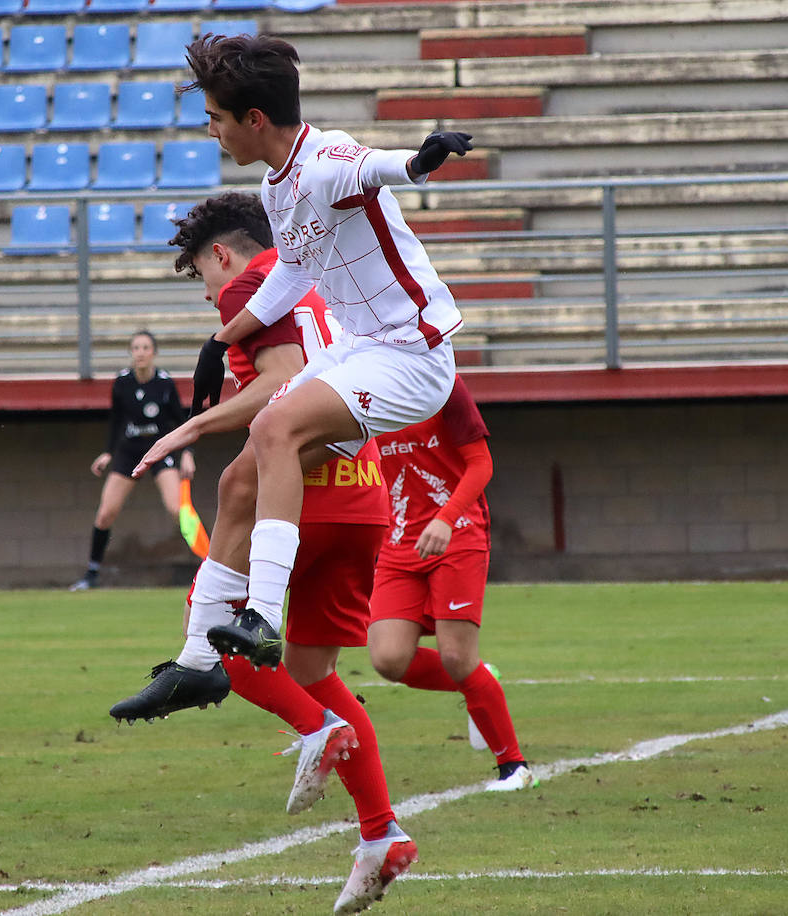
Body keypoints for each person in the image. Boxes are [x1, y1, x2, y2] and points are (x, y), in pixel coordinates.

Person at [132, 33, 472, 906]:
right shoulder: (279, 186)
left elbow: (372, 169)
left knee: (274, 426)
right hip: (362, 349)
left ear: (254, 118)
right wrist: (223, 339)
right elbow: (290, 271)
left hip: (409, 354)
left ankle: (255, 620)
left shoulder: (323, 160)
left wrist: (420, 160)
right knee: (244, 473)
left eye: (215, 118)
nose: (210, 131)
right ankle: (376, 831)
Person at [109, 192, 405, 915]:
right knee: (312, 672)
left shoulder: (251, 281)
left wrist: (193, 426)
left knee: (221, 636)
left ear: (221, 254)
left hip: (302, 496)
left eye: (202, 277)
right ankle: (381, 835)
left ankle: (315, 729)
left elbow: (281, 379)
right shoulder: (314, 275)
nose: (210, 295)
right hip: (362, 494)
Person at [368, 376, 538, 792]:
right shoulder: (358, 388)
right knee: (388, 659)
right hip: (398, 543)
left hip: (457, 534)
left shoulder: (442, 384)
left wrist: (445, 518)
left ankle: (514, 767)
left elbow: (481, 464)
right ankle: (482, 681)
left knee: (456, 656)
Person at [69, 331, 195, 591]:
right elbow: (116, 420)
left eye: (145, 347)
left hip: (159, 450)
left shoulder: (164, 383)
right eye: (136, 347)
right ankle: (92, 573)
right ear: (131, 352)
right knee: (106, 513)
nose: (140, 352)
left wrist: (187, 452)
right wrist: (108, 452)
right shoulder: (122, 382)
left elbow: (182, 421)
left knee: (177, 509)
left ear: (154, 353)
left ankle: (210, 564)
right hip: (129, 452)